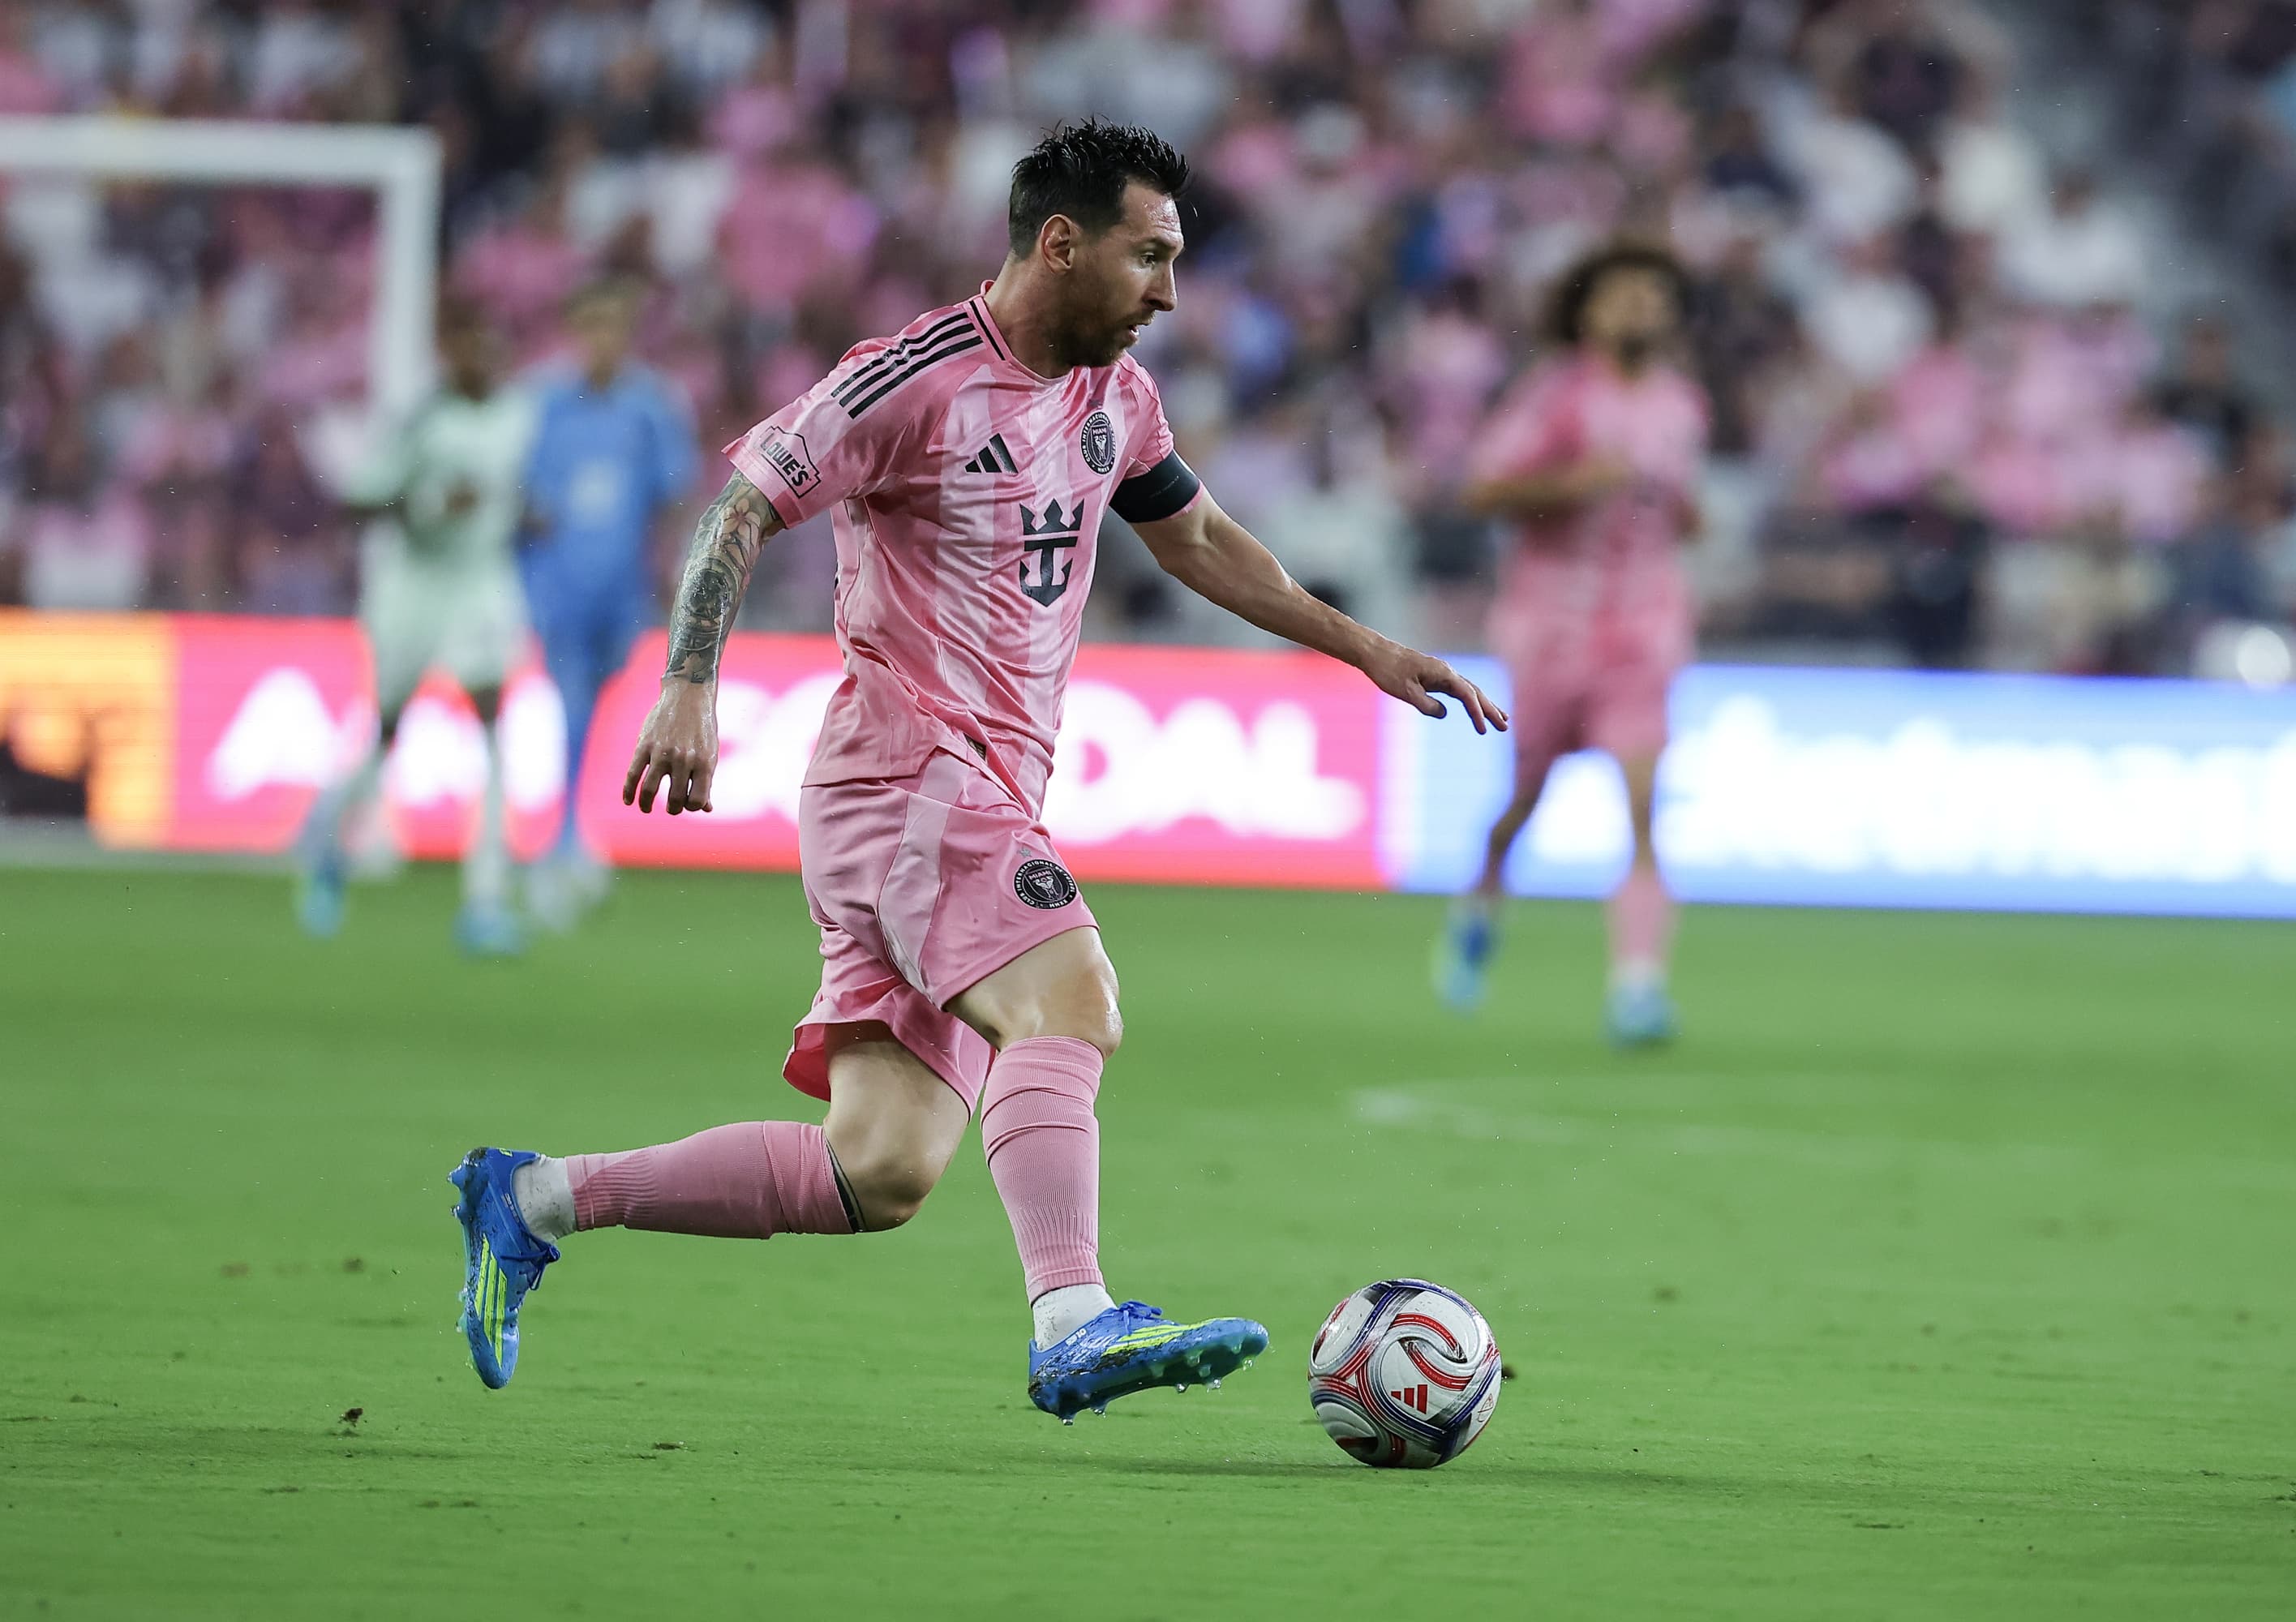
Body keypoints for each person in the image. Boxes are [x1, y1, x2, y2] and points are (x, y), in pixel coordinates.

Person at [446, 120, 1505, 1422]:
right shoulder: (911, 377)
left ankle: (534, 1196)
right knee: (1072, 1006)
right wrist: (686, 681)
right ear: (1060, 244)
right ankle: (1072, 1317)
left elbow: (1200, 538)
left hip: (954, 799)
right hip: (912, 779)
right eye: (1148, 257)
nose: (1168, 293)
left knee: (877, 1172)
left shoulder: (1114, 396)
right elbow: (742, 506)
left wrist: (1363, 646)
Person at [1432, 242, 1706, 1047]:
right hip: (1549, 630)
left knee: (1643, 804)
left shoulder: (1681, 406)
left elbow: (1679, 509)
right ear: (1587, 311)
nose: (1638, 311)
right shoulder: (1554, 397)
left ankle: (1637, 986)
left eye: (1652, 299)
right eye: (1622, 297)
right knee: (1521, 804)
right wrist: (1572, 483)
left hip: (1643, 629)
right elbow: (1484, 488)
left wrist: (1683, 513)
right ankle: (1479, 901)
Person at [295, 299, 540, 955]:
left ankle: (486, 899)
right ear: (449, 353)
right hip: (413, 587)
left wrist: (530, 513)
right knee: (388, 729)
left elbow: (520, 486)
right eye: (468, 347)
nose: (482, 359)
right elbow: (359, 500)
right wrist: (431, 503)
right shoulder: (421, 419)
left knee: (493, 726)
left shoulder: (520, 415)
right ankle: (329, 844)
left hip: (482, 581)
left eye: (490, 347)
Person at [518, 277, 700, 927]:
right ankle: (565, 841)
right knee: (568, 703)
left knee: (594, 710)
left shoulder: (650, 407)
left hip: (621, 590)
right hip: (558, 586)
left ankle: (572, 830)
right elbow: (517, 491)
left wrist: (674, 573)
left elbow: (672, 496)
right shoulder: (542, 405)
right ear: (575, 334)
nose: (603, 341)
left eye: (613, 328)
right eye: (591, 327)